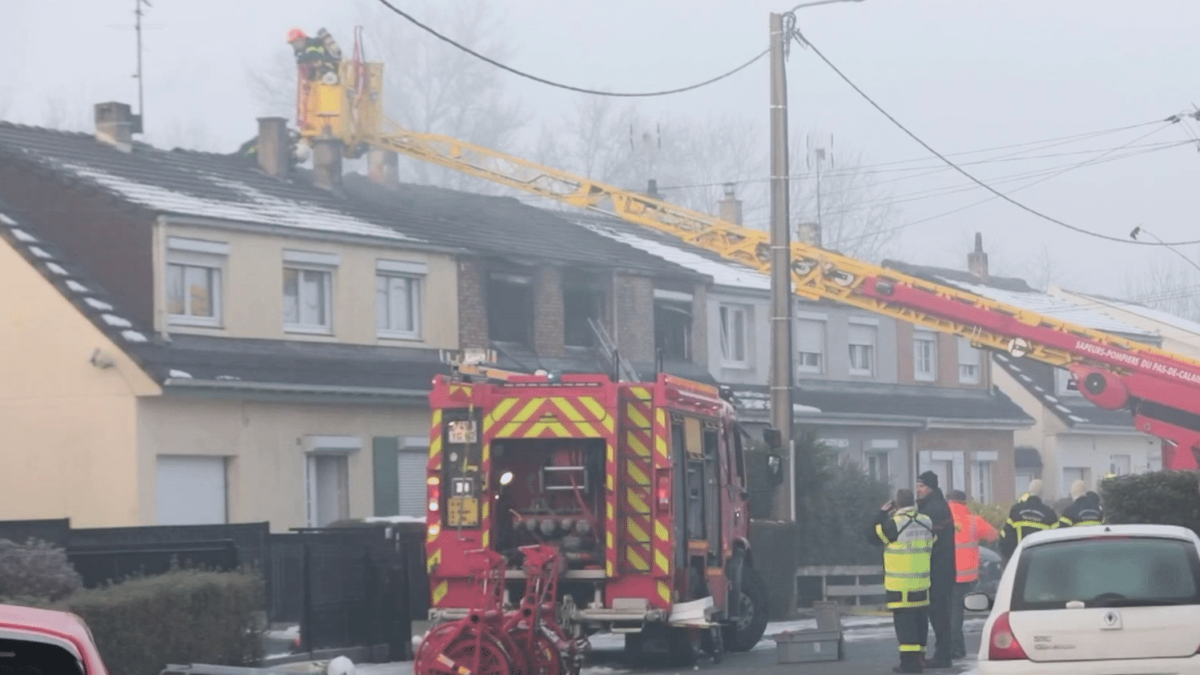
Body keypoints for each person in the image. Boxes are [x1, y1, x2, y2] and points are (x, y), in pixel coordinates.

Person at [869, 488, 936, 674]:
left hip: (901, 586)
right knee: (920, 622)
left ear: (896, 504)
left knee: (905, 628)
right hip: (922, 584)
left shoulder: (894, 524)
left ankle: (909, 665)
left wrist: (882, 513)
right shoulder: (926, 521)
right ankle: (920, 659)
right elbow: (934, 540)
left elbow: (872, 535)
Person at [946, 489, 997, 660]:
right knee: (956, 613)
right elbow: (993, 535)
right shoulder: (974, 521)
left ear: (949, 501)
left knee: (949, 612)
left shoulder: (941, 520)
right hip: (967, 576)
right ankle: (956, 648)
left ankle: (953, 648)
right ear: (964, 503)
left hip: (946, 574)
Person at [915, 471, 955, 669]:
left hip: (939, 569)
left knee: (939, 615)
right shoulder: (933, 505)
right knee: (938, 614)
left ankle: (943, 655)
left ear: (930, 487)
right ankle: (943, 653)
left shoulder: (935, 508)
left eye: (921, 486)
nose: (918, 489)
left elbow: (931, 540)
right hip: (939, 569)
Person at [999, 479, 1057, 560]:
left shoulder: (1016, 510)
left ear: (1029, 491)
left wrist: (1011, 558)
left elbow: (1006, 537)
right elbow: (1056, 541)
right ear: (1042, 493)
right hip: (1042, 560)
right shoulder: (1049, 513)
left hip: (1020, 560)